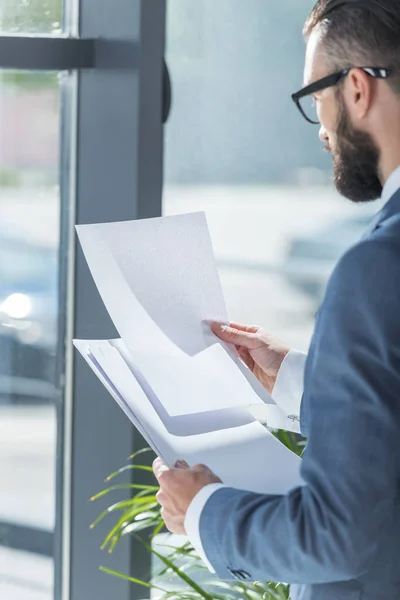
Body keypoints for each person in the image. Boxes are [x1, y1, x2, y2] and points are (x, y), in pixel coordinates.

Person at [153, 0, 400, 597]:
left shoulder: (377, 271)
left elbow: (335, 538)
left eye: (316, 96)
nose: (320, 126)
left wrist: (204, 511)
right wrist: (293, 377)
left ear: (357, 89)